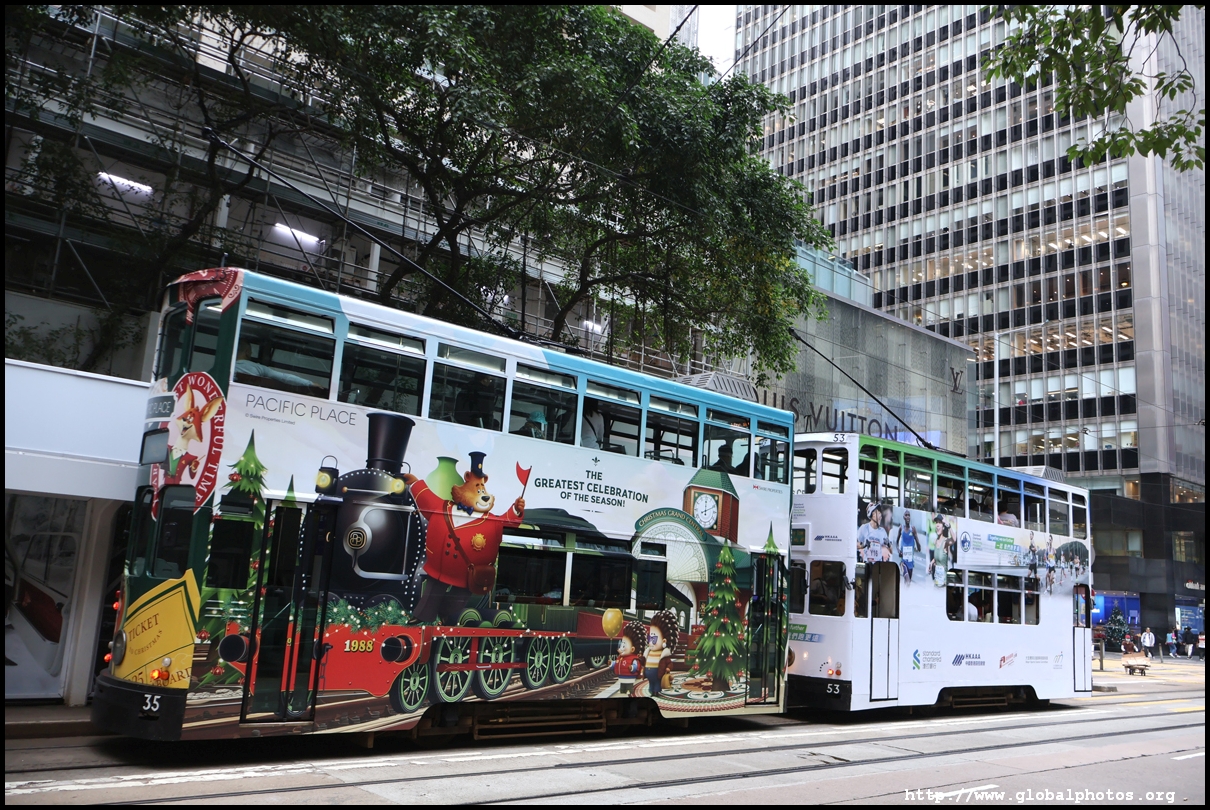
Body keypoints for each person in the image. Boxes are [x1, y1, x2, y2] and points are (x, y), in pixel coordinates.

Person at [234, 341, 318, 389]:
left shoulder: (228, 366)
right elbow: (284, 377)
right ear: (247, 352)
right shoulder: (258, 368)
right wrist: (309, 383)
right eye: (251, 352)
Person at [898, 510, 919, 583]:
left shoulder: (913, 529)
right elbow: (896, 542)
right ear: (903, 517)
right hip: (903, 561)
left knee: (908, 582)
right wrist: (899, 551)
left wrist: (915, 535)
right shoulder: (901, 528)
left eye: (909, 515)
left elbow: (919, 549)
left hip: (910, 562)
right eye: (906, 515)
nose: (907, 517)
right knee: (907, 581)